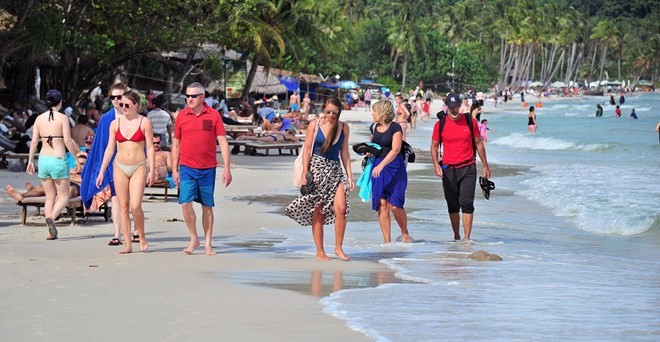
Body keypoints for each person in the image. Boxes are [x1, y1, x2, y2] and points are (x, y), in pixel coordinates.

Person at [285, 96, 354, 261]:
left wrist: (350, 176)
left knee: (341, 209)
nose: (330, 115)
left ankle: (338, 248)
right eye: (328, 111)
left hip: (335, 170)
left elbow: (344, 153)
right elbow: (307, 149)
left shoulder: (344, 128)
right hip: (317, 170)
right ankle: (320, 251)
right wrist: (305, 173)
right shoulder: (314, 125)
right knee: (319, 211)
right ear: (323, 109)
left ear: (339, 112)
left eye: (334, 112)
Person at [172, 82, 232, 256]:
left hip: (208, 168)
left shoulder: (213, 115)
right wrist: (174, 169)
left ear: (202, 96)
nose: (189, 99)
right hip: (186, 167)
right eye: (187, 96)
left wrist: (227, 168)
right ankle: (193, 239)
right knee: (185, 203)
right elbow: (176, 144)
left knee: (207, 206)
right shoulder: (182, 116)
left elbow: (223, 142)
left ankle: (208, 243)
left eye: (193, 96)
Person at [96, 89, 155, 253]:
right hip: (119, 166)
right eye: (121, 104)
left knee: (135, 206)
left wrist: (151, 170)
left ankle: (141, 236)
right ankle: (128, 244)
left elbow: (150, 148)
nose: (123, 107)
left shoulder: (144, 122)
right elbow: (109, 149)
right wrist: (101, 172)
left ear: (136, 105)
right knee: (123, 206)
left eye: (126, 104)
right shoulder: (115, 124)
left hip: (138, 166)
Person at [430, 92, 491, 241]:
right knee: (452, 204)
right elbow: (434, 146)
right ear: (447, 107)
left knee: (467, 203)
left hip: (468, 167)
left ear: (461, 105)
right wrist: (436, 164)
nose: (454, 110)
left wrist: (485, 166)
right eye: (451, 107)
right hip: (448, 169)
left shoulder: (470, 122)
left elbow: (478, 144)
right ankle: (456, 236)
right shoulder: (440, 124)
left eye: (456, 106)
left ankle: (466, 238)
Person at [26, 89, 83, 240]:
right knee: (63, 196)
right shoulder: (63, 118)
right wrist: (77, 158)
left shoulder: (39, 119)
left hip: (43, 159)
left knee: (50, 197)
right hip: (58, 159)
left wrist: (30, 160)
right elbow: (67, 141)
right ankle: (52, 217)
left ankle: (49, 232)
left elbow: (33, 142)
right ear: (60, 102)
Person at [80, 82, 126, 246]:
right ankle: (117, 235)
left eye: (118, 97)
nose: (115, 100)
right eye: (112, 97)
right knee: (116, 198)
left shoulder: (134, 117)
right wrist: (100, 169)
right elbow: (101, 146)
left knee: (133, 201)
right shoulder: (106, 119)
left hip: (133, 164)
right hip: (113, 164)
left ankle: (136, 232)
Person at [369, 100, 412, 244]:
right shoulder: (375, 127)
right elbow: (374, 145)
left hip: (394, 168)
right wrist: (368, 152)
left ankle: (404, 233)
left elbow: (396, 150)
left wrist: (381, 166)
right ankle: (387, 241)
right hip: (377, 167)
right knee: (382, 203)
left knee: (395, 205)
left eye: (374, 111)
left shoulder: (395, 128)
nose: (372, 114)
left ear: (382, 112)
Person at [7, 153, 86, 202]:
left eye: (82, 164)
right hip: (62, 184)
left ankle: (56, 205)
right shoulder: (70, 171)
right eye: (76, 164)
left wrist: (74, 177)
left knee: (70, 189)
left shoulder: (88, 174)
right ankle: (22, 196)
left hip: (76, 187)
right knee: (45, 186)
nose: (78, 166)